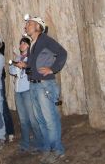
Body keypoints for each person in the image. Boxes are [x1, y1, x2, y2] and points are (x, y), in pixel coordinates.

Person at [14, 15, 67, 164]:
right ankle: (46, 148)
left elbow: (62, 53)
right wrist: (25, 66)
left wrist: (52, 69)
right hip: (34, 85)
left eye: (30, 23)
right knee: (40, 120)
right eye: (26, 24)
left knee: (50, 119)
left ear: (38, 27)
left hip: (45, 85)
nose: (26, 26)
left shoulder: (44, 39)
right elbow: (32, 64)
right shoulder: (33, 44)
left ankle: (57, 150)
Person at [8, 36, 43, 153]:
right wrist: (15, 66)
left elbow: (34, 71)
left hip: (28, 89)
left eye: (24, 43)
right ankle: (25, 144)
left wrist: (25, 66)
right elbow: (11, 71)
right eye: (21, 43)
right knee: (23, 119)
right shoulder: (18, 58)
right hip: (18, 91)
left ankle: (39, 143)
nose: (21, 45)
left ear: (29, 45)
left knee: (33, 118)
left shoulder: (32, 58)